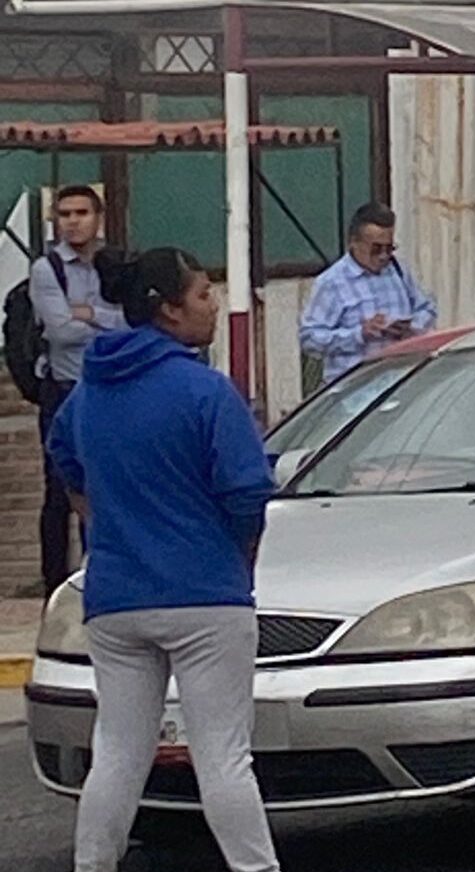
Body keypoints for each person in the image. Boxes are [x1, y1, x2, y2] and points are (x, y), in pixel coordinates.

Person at [47, 248, 280, 872]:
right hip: (205, 593)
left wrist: (108, 527)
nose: (211, 305)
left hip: (116, 597)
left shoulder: (89, 393)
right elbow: (246, 494)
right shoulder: (207, 391)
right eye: (203, 295)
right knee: (224, 757)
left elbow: (66, 464)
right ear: (169, 311)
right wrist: (239, 561)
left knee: (119, 751)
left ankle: (93, 865)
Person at [30, 185, 126, 597]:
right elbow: (60, 330)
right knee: (60, 485)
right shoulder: (47, 268)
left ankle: (102, 570)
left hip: (109, 388)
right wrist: (107, 321)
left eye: (81, 212)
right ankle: (56, 582)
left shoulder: (117, 263)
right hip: (65, 389)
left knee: (109, 482)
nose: (73, 221)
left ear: (98, 216)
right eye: (65, 213)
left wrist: (92, 314)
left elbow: (134, 320)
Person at [300, 202, 438, 385]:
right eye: (376, 249)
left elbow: (427, 308)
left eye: (389, 248)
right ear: (354, 242)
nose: (383, 256)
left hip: (399, 383)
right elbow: (310, 339)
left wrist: (411, 327)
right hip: (354, 389)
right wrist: (360, 334)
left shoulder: (398, 270)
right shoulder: (332, 283)